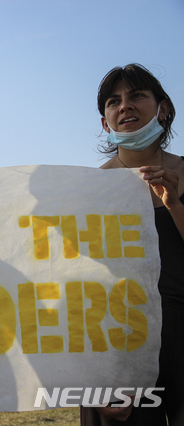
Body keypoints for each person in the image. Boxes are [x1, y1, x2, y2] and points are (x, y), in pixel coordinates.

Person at [80, 64, 184, 425]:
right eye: (113, 101)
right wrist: (101, 375)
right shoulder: (85, 192)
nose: (125, 105)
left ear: (164, 109)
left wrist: (174, 205)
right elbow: (77, 285)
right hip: (120, 346)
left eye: (137, 95)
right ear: (106, 122)